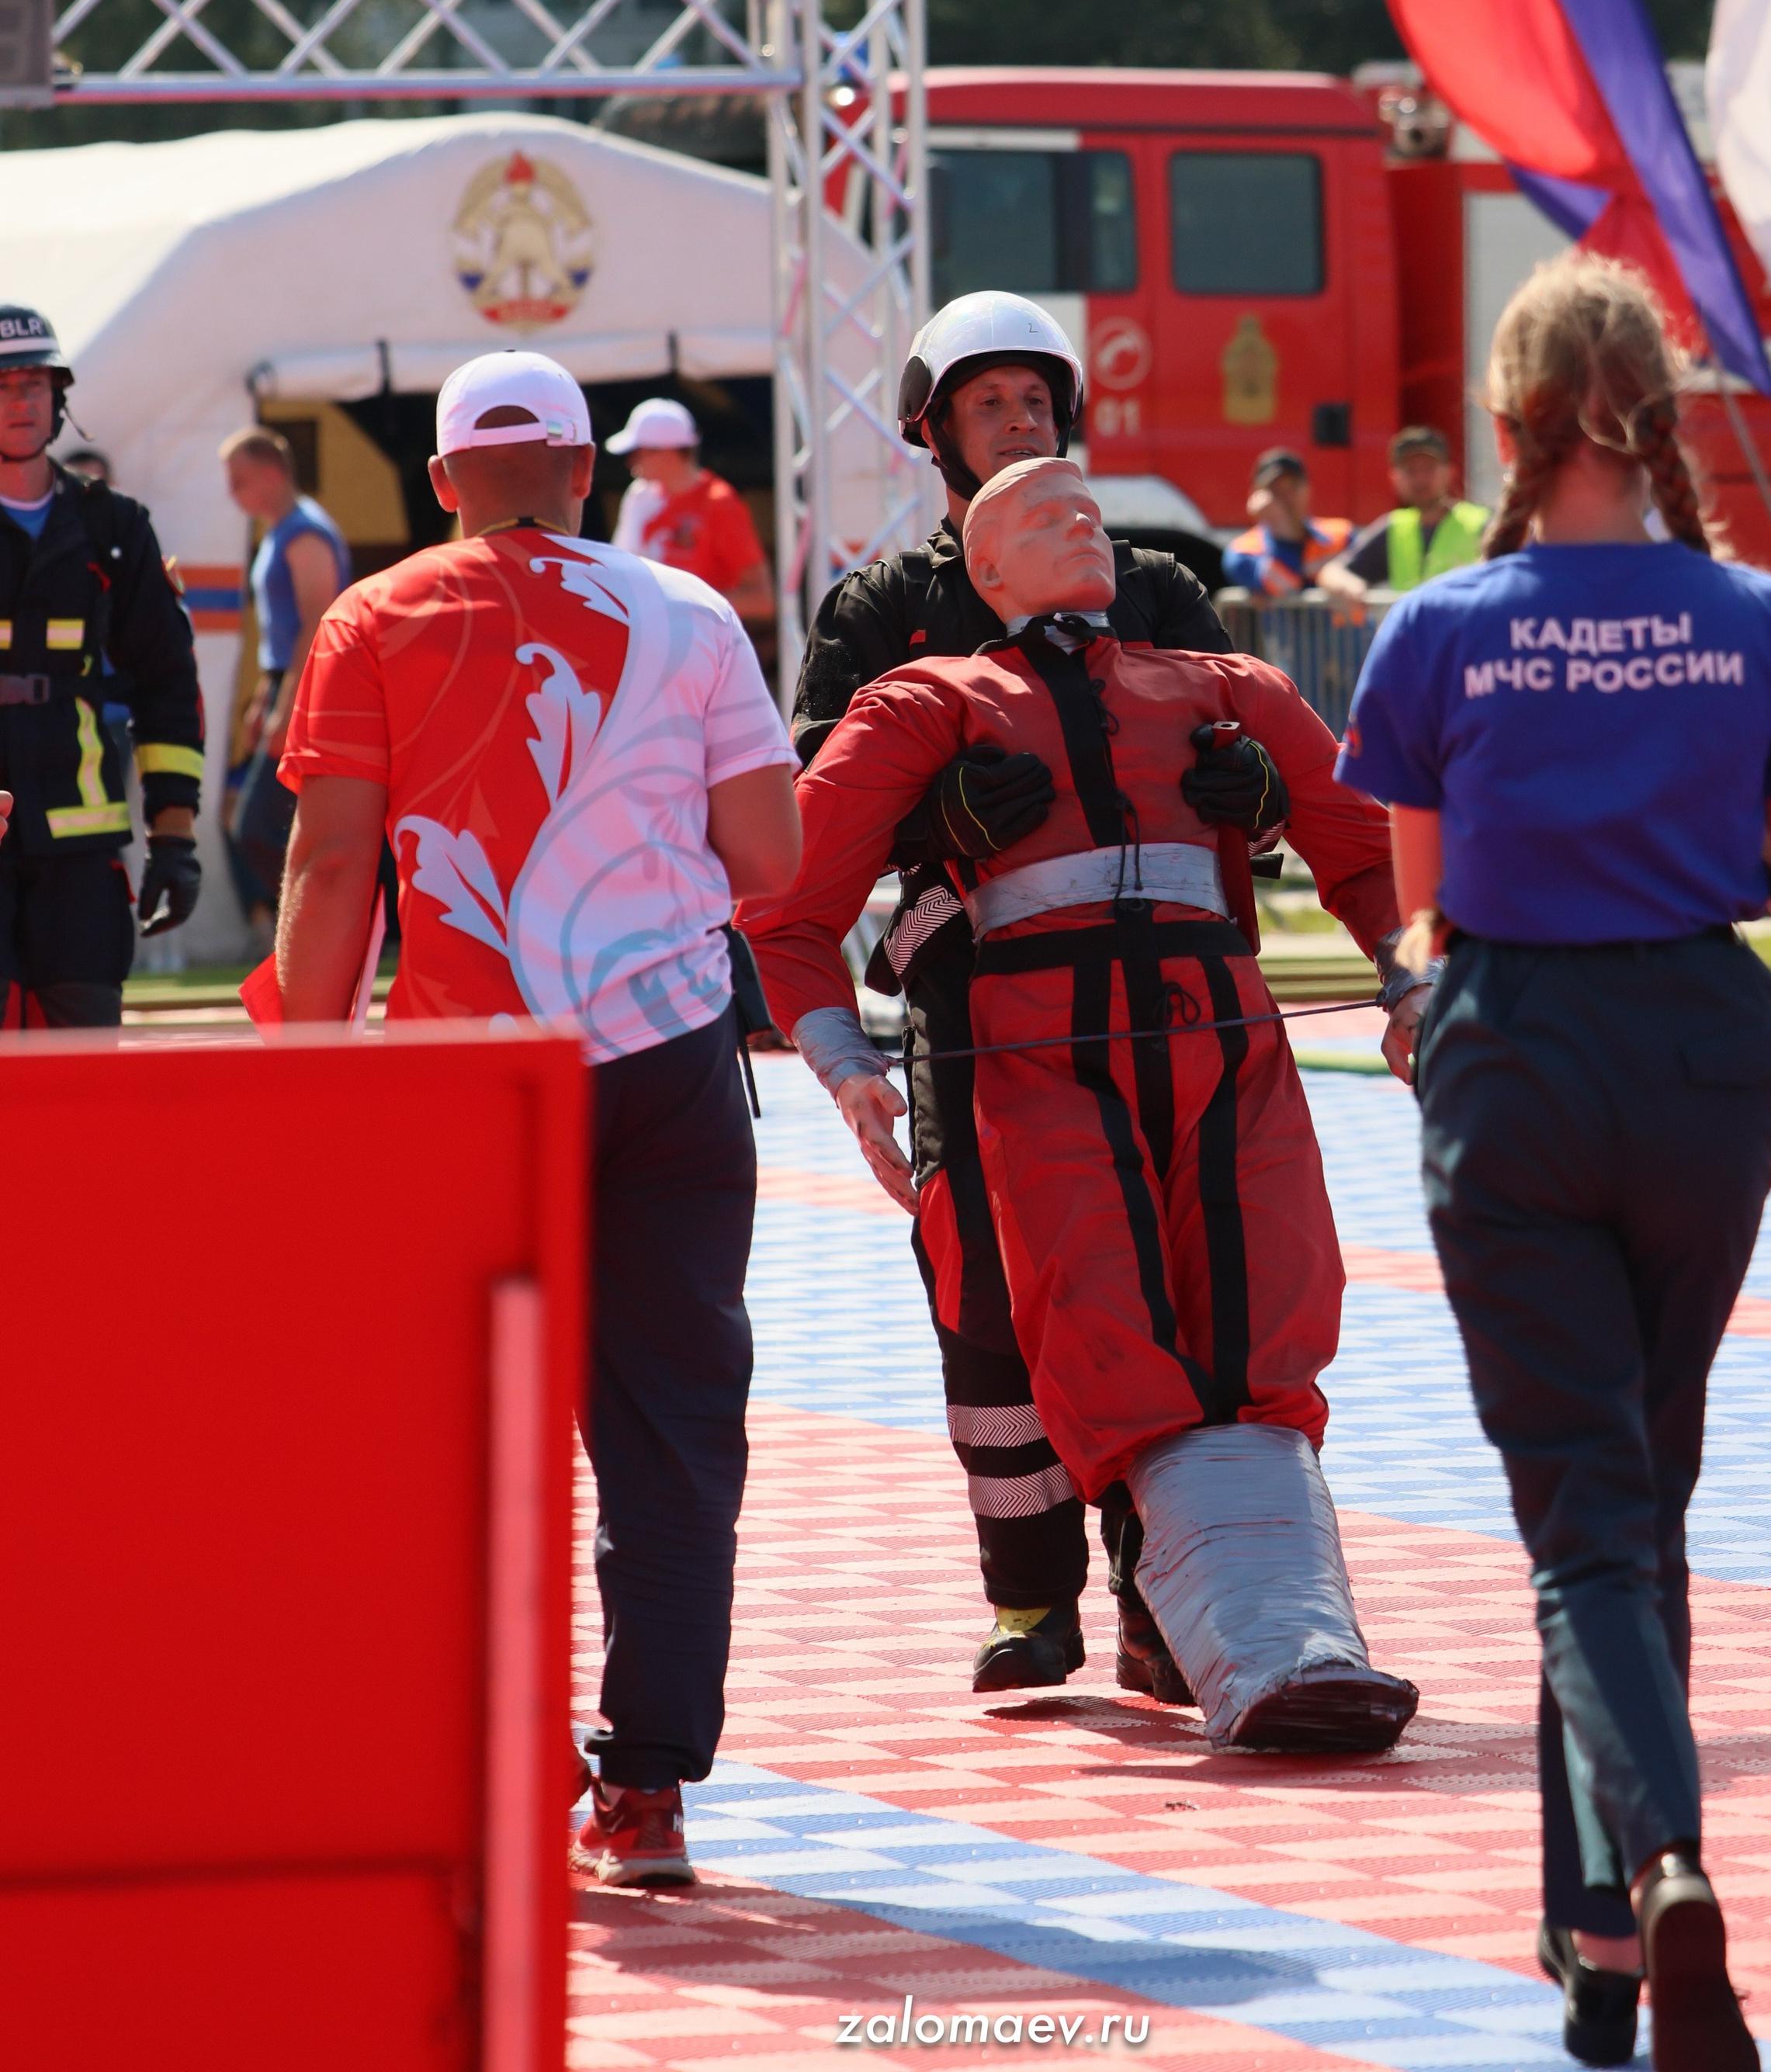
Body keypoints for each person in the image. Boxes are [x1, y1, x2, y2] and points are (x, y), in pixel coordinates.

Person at [1336, 255, 1771, 2072]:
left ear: (1496, 424)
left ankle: (1657, 1863)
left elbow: (1415, 899)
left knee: (1582, 1522)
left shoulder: (1442, 623)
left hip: (1513, 1061)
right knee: (1636, 1497)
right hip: (1703, 1059)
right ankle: (1596, 1943)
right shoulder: (1761, 615)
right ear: (1665, 417)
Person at [744, 453, 1426, 1751]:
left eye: (1092, 512)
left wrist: (1409, 979)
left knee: (1264, 1306)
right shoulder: (919, 702)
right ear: (980, 569)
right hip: (1035, 1053)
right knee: (1096, 1320)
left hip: (1219, 1033)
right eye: (1042, 519)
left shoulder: (1230, 692)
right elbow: (786, 900)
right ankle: (1220, 1642)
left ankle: (1274, 1644)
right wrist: (845, 1066)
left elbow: (1374, 851)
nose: (1084, 529)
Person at [270, 348, 801, 1891]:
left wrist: (309, 1072)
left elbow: (329, 874)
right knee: (671, 1427)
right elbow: (766, 855)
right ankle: (644, 1795)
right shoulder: (691, 611)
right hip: (670, 1057)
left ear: (442, 485)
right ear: (586, 469)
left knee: (449, 1426)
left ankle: (477, 1755)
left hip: (465, 1075)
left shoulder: (371, 619)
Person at [789, 289, 1245, 1700]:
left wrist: (1260, 797)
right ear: (935, 432)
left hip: (1163, 1004)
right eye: (992, 404)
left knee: (1168, 1296)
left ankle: (1167, 1598)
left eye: (1039, 400)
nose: (1024, 420)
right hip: (971, 1010)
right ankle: (1030, 1601)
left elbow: (1243, 746)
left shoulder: (1155, 583)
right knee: (988, 1294)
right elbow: (815, 808)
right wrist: (944, 818)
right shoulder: (881, 610)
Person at [0, 303, 205, 1024]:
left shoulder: (112, 527)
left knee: (81, 1064)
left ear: (59, 398)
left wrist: (175, 839)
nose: (21, 400)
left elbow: (167, 685)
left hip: (79, 850)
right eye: (3, 385)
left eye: (35, 383)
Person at [220, 427, 352, 920]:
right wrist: (262, 698)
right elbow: (281, 633)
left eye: (240, 480)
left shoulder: (306, 532)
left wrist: (285, 705)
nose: (233, 493)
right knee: (261, 819)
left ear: (272, 473)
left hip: (310, 687)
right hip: (287, 682)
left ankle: (323, 922)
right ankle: (315, 923)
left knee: (259, 821)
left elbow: (317, 620)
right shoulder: (283, 532)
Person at [607, 397, 774, 625]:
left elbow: (762, 600)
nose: (630, 463)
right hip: (652, 639)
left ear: (667, 452)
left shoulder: (719, 502)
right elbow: (620, 578)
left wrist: (680, 605)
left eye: (637, 452)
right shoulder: (640, 497)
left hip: (702, 646)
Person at [1320, 425, 1488, 615]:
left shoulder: (1481, 524)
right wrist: (1348, 586)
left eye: (1429, 469)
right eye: (1410, 471)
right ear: (1394, 478)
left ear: (1450, 473)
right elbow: (1334, 571)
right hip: (1415, 641)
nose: (1420, 479)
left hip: (1463, 640)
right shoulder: (1395, 528)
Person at [1221, 448, 1353, 599]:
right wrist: (1280, 524)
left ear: (1307, 489)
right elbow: (1288, 587)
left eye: (1292, 487)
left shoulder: (1342, 536)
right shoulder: (1243, 552)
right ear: (1256, 496)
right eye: (1275, 491)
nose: (1285, 499)